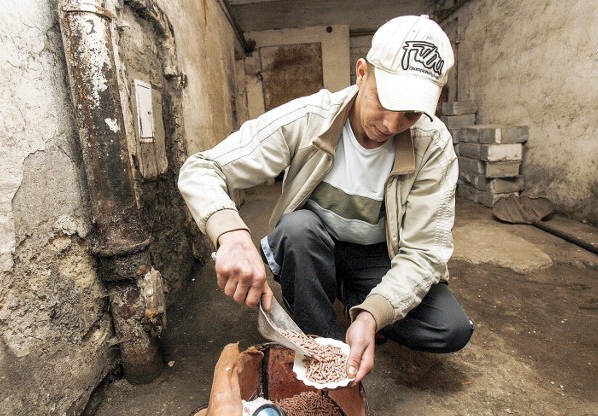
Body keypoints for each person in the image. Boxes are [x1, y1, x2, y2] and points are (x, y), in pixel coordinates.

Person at [178, 14, 473, 387]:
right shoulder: (310, 117)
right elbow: (202, 168)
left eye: (411, 113)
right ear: (362, 73)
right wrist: (232, 235)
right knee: (297, 229)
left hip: (380, 256)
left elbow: (424, 253)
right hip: (316, 247)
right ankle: (320, 347)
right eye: (386, 100)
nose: (392, 124)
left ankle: (356, 300)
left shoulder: (434, 144)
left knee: (450, 329)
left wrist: (372, 315)